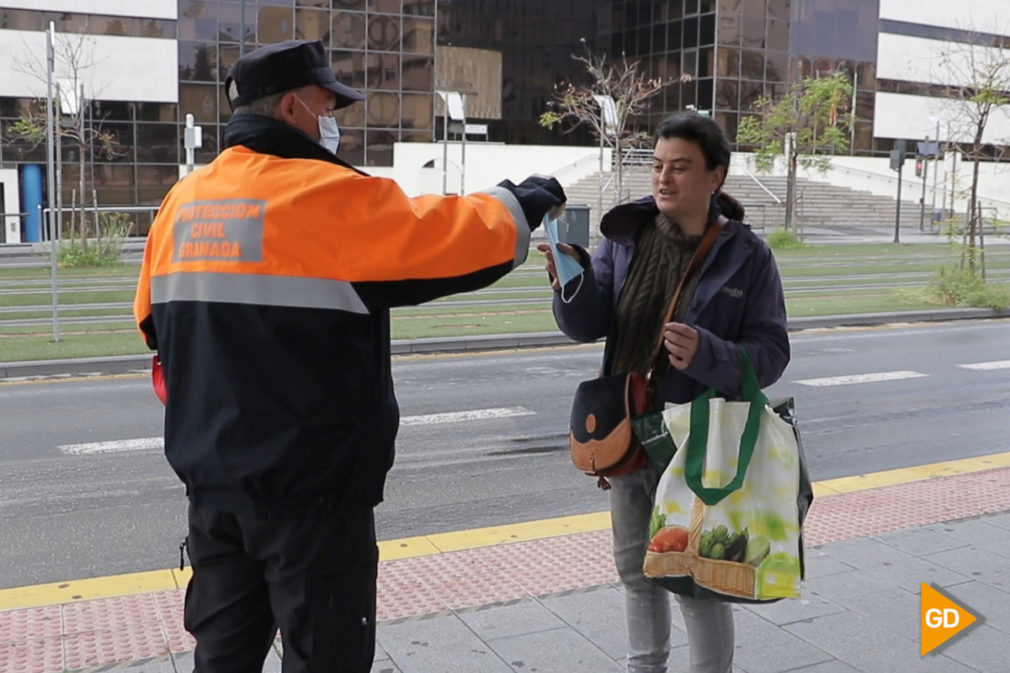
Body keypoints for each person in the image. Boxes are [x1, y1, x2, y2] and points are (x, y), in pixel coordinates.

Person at [133, 39, 565, 673]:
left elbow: (151, 325)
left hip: (213, 492)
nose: (334, 117)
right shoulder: (321, 194)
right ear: (290, 107)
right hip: (311, 498)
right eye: (327, 103)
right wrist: (522, 200)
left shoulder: (183, 202)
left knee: (222, 657)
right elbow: (446, 238)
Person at [538, 112, 788, 673]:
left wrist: (708, 353)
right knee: (637, 573)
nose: (663, 178)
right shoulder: (625, 239)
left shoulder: (748, 256)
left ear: (715, 176)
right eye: (656, 165)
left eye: (680, 167)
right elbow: (587, 325)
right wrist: (571, 282)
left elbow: (771, 355)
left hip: (702, 441)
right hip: (630, 432)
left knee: (693, 577)